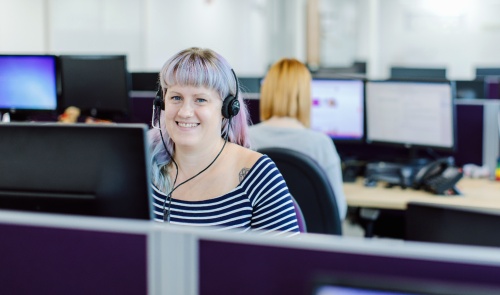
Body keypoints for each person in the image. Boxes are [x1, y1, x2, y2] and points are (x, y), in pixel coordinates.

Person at [148, 47, 299, 236]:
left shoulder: (258, 176)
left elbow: (286, 263)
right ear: (162, 103)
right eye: (176, 97)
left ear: (228, 109)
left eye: (200, 100)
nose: (185, 112)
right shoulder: (143, 165)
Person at [248, 58, 347, 220]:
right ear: (305, 96)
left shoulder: (245, 138)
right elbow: (338, 211)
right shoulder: (320, 144)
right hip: (311, 243)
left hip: (262, 241)